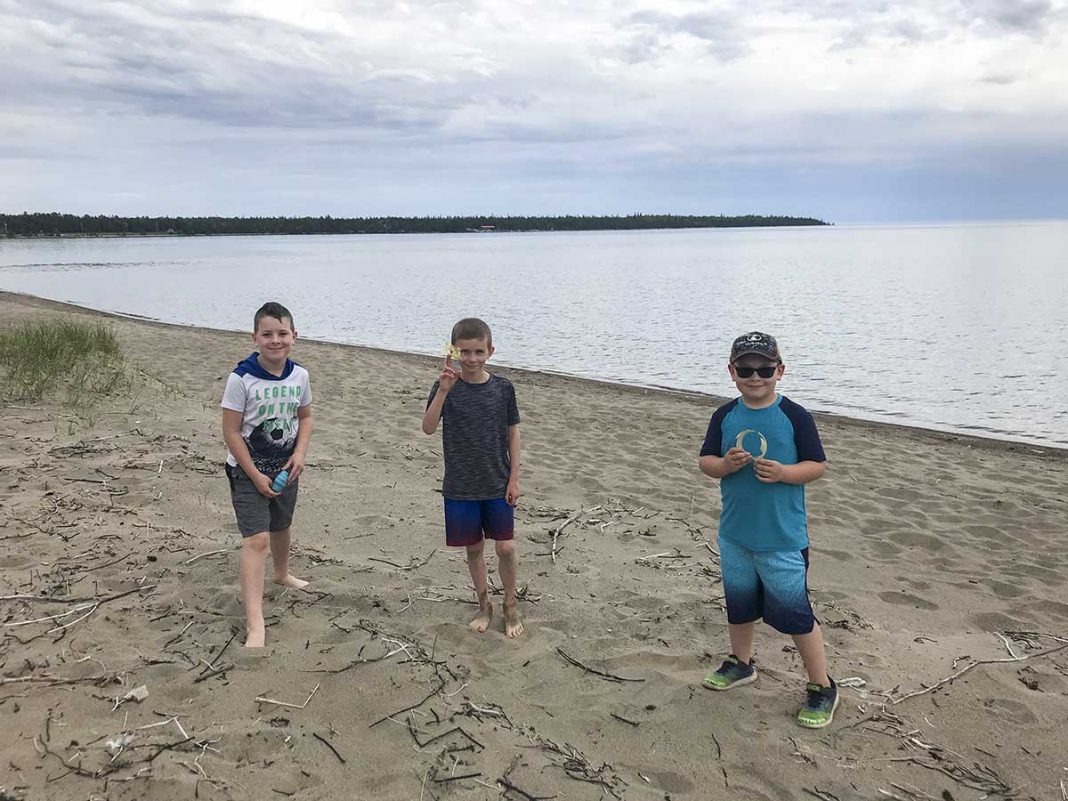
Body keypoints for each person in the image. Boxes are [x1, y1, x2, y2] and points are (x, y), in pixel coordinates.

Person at [698, 331, 837, 728]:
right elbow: (705, 460)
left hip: (781, 539)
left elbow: (817, 465)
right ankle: (741, 664)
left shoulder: (794, 416)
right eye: (745, 369)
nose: (755, 376)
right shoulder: (724, 416)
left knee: (796, 614)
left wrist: (785, 473)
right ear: (731, 372)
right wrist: (723, 466)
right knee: (739, 606)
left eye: (763, 368)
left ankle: (822, 685)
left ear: (780, 371)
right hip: (735, 534)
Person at [422, 317, 524, 638]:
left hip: (496, 481)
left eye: (478, 351)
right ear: (453, 352)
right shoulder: (445, 386)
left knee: (505, 548)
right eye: (464, 352)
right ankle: (484, 604)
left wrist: (514, 478)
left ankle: (510, 603)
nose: (471, 359)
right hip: (461, 486)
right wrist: (443, 390)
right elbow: (427, 427)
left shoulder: (503, 388)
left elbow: (513, 433)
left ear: (490, 351)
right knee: (474, 548)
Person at [221, 302, 313, 648]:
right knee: (256, 539)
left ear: (294, 336)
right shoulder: (241, 378)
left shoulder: (299, 375)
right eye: (268, 334)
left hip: (286, 469)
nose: (276, 340)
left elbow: (304, 417)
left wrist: (300, 454)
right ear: (255, 337)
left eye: (282, 333)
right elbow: (231, 432)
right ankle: (255, 623)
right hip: (247, 472)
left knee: (282, 524)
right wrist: (254, 474)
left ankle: (282, 573)